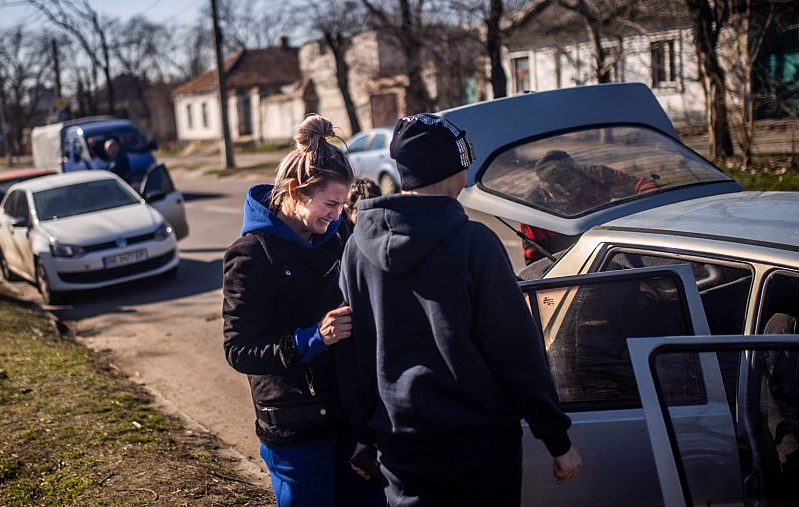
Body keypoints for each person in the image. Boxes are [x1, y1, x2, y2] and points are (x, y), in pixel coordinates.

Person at [336, 113, 582, 506]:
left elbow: (355, 352)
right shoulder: (475, 243)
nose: (466, 178)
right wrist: (556, 438)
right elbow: (515, 351)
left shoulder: (355, 248)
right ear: (450, 169)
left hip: (401, 445)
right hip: (479, 446)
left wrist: (365, 432)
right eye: (462, 166)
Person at [222, 114, 387, 507]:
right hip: (295, 429)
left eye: (342, 204)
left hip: (351, 421)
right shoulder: (250, 256)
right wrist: (313, 338)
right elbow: (239, 351)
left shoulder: (338, 238)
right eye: (330, 203)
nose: (336, 214)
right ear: (296, 191)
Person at [520, 149, 658, 265]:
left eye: (571, 185)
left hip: (608, 235)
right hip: (566, 255)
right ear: (546, 189)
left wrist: (651, 213)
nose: (567, 194)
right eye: (558, 191)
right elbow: (535, 258)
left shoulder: (598, 174)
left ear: (579, 174)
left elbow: (642, 185)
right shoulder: (535, 209)